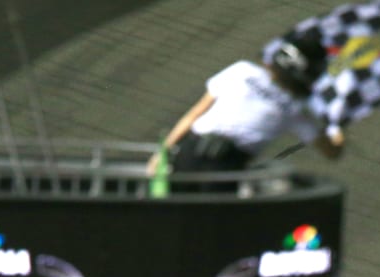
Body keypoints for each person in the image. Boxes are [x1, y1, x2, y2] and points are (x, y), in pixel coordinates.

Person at [146, 31, 345, 189]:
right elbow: (331, 152)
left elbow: (195, 113)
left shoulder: (242, 71)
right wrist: (338, 127)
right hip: (226, 169)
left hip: (190, 153)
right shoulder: (295, 110)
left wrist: (161, 153)